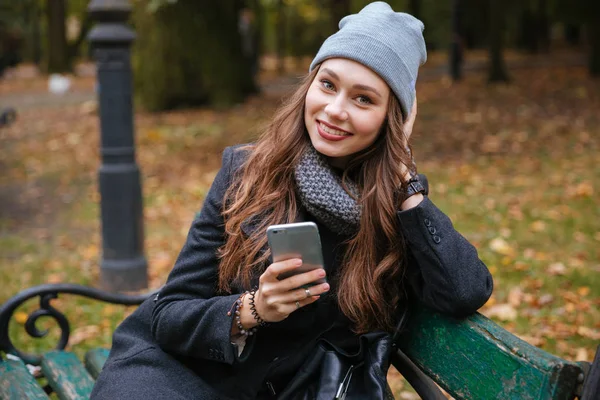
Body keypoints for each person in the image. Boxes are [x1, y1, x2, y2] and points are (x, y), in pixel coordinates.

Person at [91, 2, 493, 399]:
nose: (334, 111)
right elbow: (169, 313)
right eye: (328, 85)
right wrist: (253, 308)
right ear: (310, 85)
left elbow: (465, 290)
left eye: (364, 99)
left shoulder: (398, 212)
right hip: (180, 375)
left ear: (393, 120)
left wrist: (403, 176)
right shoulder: (246, 172)